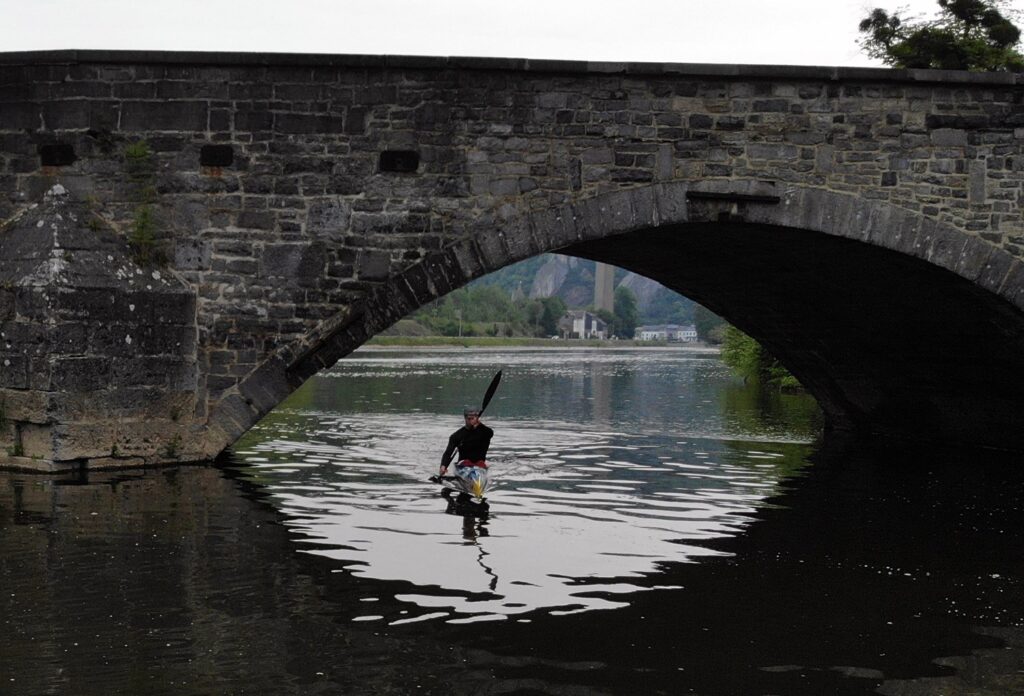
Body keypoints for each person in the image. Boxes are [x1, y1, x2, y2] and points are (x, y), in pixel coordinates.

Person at [440, 406, 493, 478]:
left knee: (480, 463)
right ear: (465, 418)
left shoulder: (484, 432)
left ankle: (476, 480)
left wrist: (480, 425)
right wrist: (443, 466)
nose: (471, 421)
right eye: (469, 419)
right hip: (464, 465)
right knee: (466, 462)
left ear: (477, 419)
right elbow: (448, 453)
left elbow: (490, 433)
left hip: (480, 466)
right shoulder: (456, 436)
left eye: (473, 418)